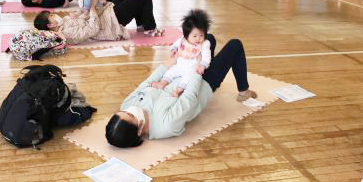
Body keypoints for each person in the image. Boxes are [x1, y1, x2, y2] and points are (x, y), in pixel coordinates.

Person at [105, 35, 258, 147]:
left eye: (123, 112)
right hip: (202, 83)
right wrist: (198, 68)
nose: (130, 109)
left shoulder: (126, 105)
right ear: (139, 131)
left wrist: (171, 61)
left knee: (206, 39)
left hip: (176, 73)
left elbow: (147, 83)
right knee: (235, 45)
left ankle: (208, 61)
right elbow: (189, 98)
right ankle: (244, 92)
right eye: (131, 115)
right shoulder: (167, 125)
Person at [34, 0, 164, 37]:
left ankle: (142, 25)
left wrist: (84, 10)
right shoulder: (67, 33)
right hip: (110, 24)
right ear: (51, 25)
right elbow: (93, 29)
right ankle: (150, 27)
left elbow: (83, 16)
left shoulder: (65, 21)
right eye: (51, 16)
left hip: (105, 14)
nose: (55, 15)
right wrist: (91, 8)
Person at [151, 10, 212, 97]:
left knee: (188, 78)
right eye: (195, 36)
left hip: (192, 68)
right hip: (179, 65)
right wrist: (173, 50)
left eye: (201, 35)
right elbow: (175, 44)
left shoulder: (205, 43)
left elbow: (207, 56)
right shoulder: (183, 39)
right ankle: (162, 83)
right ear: (187, 35)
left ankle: (179, 90)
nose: (198, 38)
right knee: (170, 72)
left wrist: (203, 66)